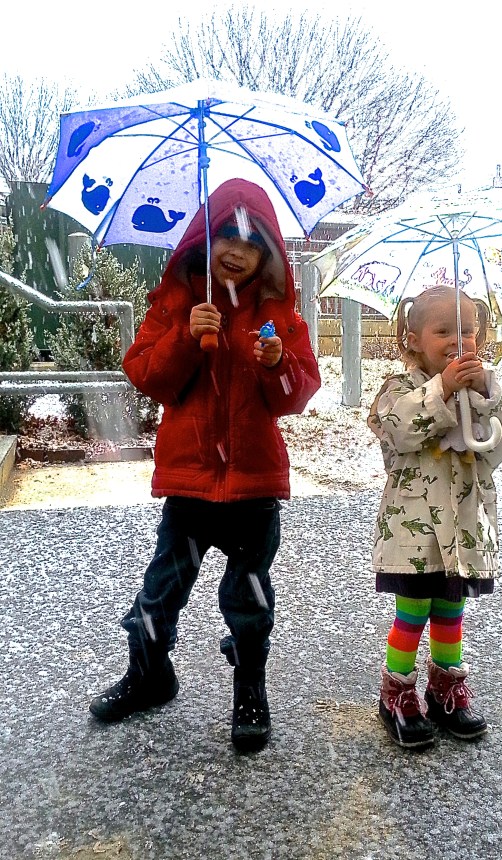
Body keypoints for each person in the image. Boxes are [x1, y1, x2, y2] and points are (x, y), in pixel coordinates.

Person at [89, 178, 321, 752]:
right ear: (205, 237)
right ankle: (149, 673)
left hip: (253, 488)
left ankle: (250, 686)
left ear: (269, 253)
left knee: (249, 596)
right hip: (191, 485)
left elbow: (296, 394)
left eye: (252, 240)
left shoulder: (279, 317)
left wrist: (276, 364)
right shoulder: (178, 304)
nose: (237, 250)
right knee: (162, 587)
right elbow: (146, 376)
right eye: (225, 234)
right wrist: (187, 339)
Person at [368, 285, 502, 748]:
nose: (459, 341)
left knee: (451, 606)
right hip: (414, 531)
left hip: (465, 526)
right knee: (414, 607)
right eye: (443, 331)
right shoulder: (400, 390)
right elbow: (399, 431)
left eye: (468, 331)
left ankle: (445, 686)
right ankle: (396, 691)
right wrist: (443, 389)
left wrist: (486, 396)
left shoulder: (480, 391)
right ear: (412, 339)